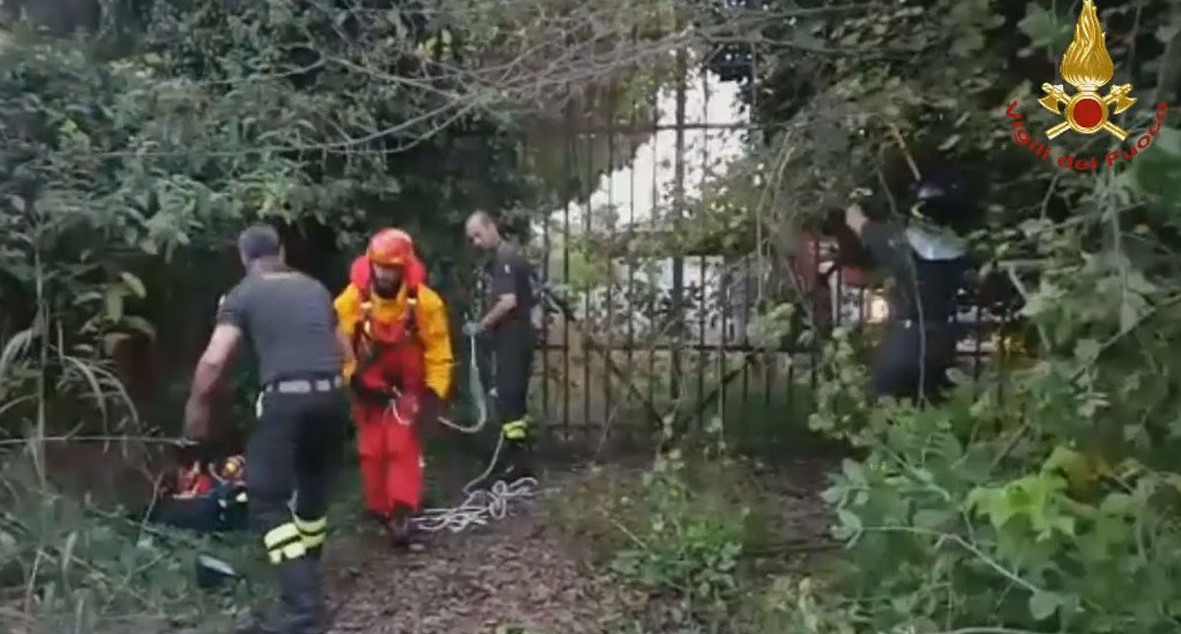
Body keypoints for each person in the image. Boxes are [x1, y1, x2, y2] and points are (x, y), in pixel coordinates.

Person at [183, 224, 349, 634]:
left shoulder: (243, 294)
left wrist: (195, 421)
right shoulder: (315, 289)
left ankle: (304, 610)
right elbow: (345, 352)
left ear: (244, 257)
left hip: (286, 398)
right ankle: (306, 582)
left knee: (264, 498)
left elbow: (214, 362)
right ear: (282, 251)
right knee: (311, 495)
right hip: (331, 398)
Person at [333, 228, 453, 547]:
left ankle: (402, 515)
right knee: (370, 451)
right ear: (370, 264)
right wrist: (353, 379)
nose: (384, 273)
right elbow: (339, 346)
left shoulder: (426, 303)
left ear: (404, 268)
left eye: (391, 268)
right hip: (368, 389)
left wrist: (433, 394)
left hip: (408, 391)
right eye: (379, 266)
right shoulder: (351, 300)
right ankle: (379, 510)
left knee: (401, 448)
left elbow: (439, 352)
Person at [843, 170, 976, 403]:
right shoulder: (962, 252)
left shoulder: (897, 243)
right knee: (934, 411)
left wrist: (855, 198)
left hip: (905, 340)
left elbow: (855, 220)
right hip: (943, 341)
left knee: (887, 407)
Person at [462, 211, 537, 480]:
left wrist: (482, 325)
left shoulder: (505, 258)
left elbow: (508, 302)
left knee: (509, 399)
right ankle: (517, 458)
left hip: (513, 339)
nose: (476, 243)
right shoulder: (507, 257)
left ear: (491, 227)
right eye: (472, 239)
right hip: (515, 338)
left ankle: (517, 464)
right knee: (511, 399)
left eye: (478, 235)